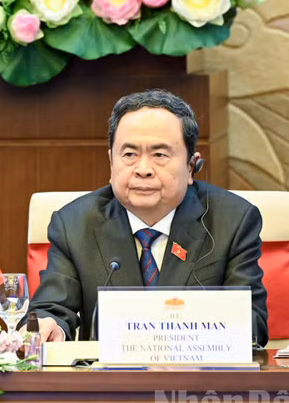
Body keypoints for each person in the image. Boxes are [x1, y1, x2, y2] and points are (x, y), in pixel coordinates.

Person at [26, 89, 268, 346]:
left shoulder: (232, 221)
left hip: (197, 369)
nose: (143, 170)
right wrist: (48, 327)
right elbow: (50, 309)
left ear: (190, 166)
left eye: (159, 155)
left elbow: (252, 325)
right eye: (129, 155)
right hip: (108, 372)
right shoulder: (75, 224)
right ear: (111, 162)